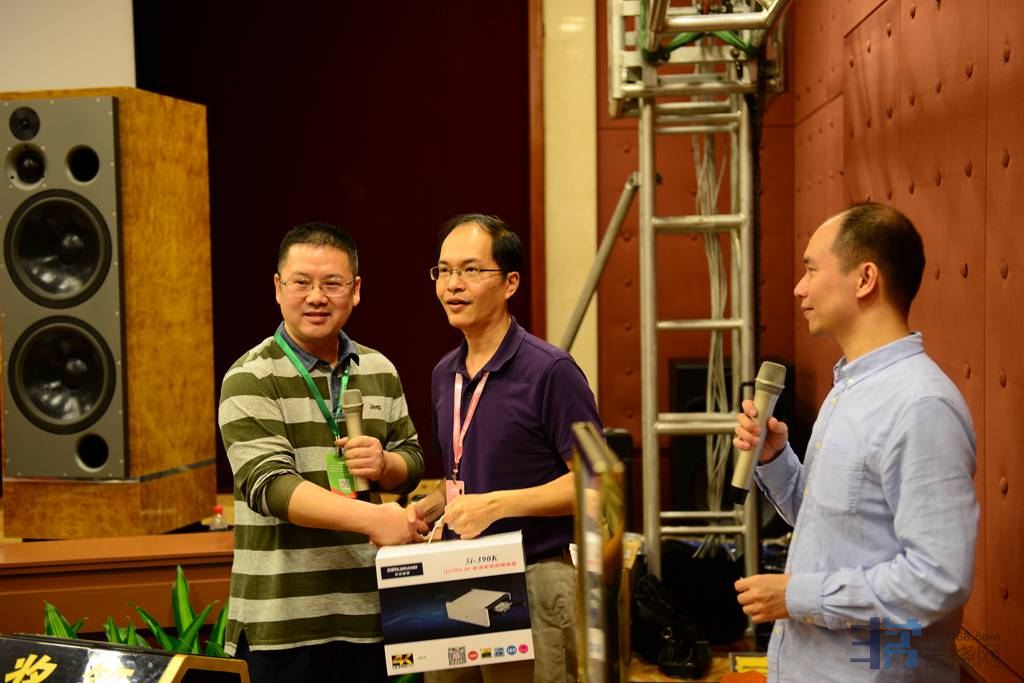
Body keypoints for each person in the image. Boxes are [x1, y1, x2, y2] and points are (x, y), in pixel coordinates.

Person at [733, 203, 978, 681]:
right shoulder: (850, 387)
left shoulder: (921, 405)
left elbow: (937, 580)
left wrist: (798, 595)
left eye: (811, 269)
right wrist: (777, 459)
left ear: (865, 279)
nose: (799, 288)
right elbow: (837, 527)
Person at [218, 222, 426, 683]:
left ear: (355, 290)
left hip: (367, 616)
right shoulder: (250, 376)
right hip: (280, 625)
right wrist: (375, 519)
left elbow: (411, 459)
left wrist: (385, 464)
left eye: (332, 283)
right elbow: (270, 487)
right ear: (278, 288)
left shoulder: (379, 369)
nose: (316, 297)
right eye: (302, 282)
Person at [409, 214, 601, 683]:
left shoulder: (551, 370)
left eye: (471, 270)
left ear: (510, 282)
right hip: (454, 575)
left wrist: (496, 506)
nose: (453, 284)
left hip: (534, 576)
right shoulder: (444, 374)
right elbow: (466, 475)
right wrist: (427, 508)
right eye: (444, 271)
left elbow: (594, 485)